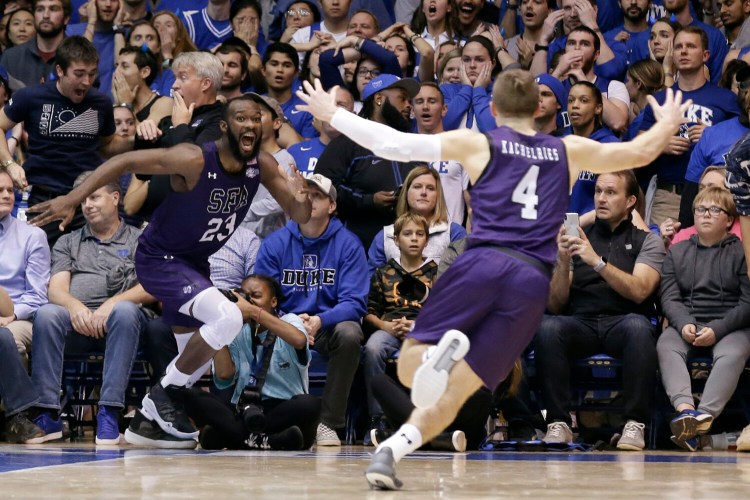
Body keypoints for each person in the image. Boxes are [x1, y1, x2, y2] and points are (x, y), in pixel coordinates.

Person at [295, 70, 689, 489]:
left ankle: (428, 373)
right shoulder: (568, 148)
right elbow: (638, 152)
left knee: (410, 368)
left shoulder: (478, 142)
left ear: (495, 110)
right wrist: (666, 123)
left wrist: (332, 114)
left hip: (481, 262)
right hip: (531, 281)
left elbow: (394, 143)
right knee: (463, 386)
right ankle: (392, 451)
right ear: (539, 108)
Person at [28, 94, 312, 448]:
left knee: (192, 360)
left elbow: (300, 215)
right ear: (225, 126)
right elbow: (126, 160)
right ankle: (160, 396)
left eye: (256, 118)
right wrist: (71, 199)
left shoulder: (263, 165)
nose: (250, 124)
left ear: (266, 126)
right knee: (227, 318)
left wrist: (303, 196)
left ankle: (146, 426)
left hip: (195, 261)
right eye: (241, 118)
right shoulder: (193, 159)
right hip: (161, 258)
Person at [535, 170, 665, 451]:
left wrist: (596, 262)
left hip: (624, 320)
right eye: (598, 191)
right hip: (580, 321)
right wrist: (561, 260)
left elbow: (641, 289)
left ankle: (634, 424)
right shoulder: (578, 236)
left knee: (639, 329)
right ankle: (558, 422)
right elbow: (556, 304)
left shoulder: (647, 240)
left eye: (611, 192)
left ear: (630, 200)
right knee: (547, 327)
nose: (601, 199)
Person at [28, 171, 153, 445]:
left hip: (123, 326)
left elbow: (150, 287)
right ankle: (48, 413)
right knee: (48, 313)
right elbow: (56, 290)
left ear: (115, 198)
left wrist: (111, 303)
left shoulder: (139, 240)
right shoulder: (68, 242)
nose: (88, 205)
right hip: (78, 325)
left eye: (94, 197)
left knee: (126, 310)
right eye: (83, 200)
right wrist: (76, 308)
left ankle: (108, 411)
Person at [254, 173, 369, 446]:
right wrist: (292, 323)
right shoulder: (275, 243)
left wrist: (319, 320)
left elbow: (355, 303)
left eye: (318, 195)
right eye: (306, 194)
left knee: (351, 333)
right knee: (253, 325)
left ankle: (328, 424)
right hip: (284, 326)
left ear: (332, 206)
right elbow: (261, 298)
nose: (310, 200)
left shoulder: (348, 244)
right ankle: (262, 417)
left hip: (326, 327)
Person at [0, 36, 127, 245]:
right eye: (79, 74)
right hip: (45, 196)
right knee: (40, 262)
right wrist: (9, 164)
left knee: (94, 265)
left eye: (92, 74)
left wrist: (139, 138)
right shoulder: (31, 96)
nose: (86, 81)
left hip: (88, 196)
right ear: (60, 71)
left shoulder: (101, 102)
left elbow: (107, 146)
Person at [658, 186, 750, 451]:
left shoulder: (743, 252)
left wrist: (717, 329)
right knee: (666, 344)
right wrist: (684, 322)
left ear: (729, 220)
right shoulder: (677, 252)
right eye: (700, 209)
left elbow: (747, 302)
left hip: (731, 326)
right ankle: (686, 410)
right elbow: (670, 298)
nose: (705, 215)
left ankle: (702, 419)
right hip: (688, 322)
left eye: (714, 210)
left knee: (731, 355)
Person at [183, 274, 321, 451]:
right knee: (191, 396)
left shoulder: (289, 320)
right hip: (246, 409)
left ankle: (237, 438)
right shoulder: (236, 330)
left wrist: (254, 311)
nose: (248, 302)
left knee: (310, 404)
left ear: (273, 301)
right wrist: (219, 325)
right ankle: (268, 441)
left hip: (284, 411)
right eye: (245, 296)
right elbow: (224, 375)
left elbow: (299, 340)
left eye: (255, 296)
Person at [314, 74, 422, 249]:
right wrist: (369, 201)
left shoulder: (412, 145)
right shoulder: (347, 143)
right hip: (357, 248)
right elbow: (322, 188)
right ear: (379, 99)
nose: (409, 105)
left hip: (407, 251)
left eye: (409, 100)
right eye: (402, 99)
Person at [363, 212, 438, 440]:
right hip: (390, 329)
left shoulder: (436, 272)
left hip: (424, 331)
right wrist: (385, 326)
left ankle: (431, 418)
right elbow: (368, 313)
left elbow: (444, 314)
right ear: (396, 240)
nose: (414, 239)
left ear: (426, 240)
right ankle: (378, 420)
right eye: (407, 234)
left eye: (419, 234)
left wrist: (417, 326)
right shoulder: (383, 272)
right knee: (373, 349)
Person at [367, 166, 466, 274]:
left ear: (438, 195)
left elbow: (465, 278)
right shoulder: (385, 236)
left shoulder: (455, 233)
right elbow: (372, 283)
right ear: (406, 192)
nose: (423, 192)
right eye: (417, 187)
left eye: (430, 188)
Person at [0, 168, 50, 368]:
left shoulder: (32, 236)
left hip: (19, 318)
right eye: (0, 190)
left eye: (10, 190)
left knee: (4, 339)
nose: (6, 195)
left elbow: (38, 295)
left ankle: (15, 400)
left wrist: (11, 315)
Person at [413, 83, 471, 226]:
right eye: (420, 102)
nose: (425, 107)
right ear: (412, 111)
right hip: (412, 237)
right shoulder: (403, 149)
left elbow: (472, 205)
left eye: (432, 101)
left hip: (451, 238)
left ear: (444, 109)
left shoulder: (460, 147)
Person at [567, 82, 620, 215]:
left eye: (583, 100)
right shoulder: (558, 143)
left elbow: (619, 200)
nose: (575, 105)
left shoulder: (609, 146)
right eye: (570, 100)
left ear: (598, 108)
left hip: (594, 230)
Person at [0, 0, 71, 91]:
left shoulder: (79, 55)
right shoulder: (10, 57)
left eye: (53, 9)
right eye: (40, 9)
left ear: (66, 18)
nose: (46, 15)